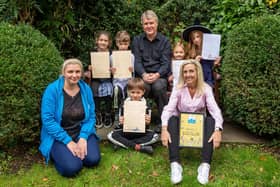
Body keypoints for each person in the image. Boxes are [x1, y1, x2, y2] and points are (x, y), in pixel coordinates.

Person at [161, 59, 223, 185]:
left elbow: (215, 110)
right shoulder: (178, 88)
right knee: (172, 119)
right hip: (182, 126)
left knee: (211, 120)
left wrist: (218, 130)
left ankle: (205, 166)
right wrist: (163, 129)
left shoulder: (206, 88)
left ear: (198, 72)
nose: (188, 74)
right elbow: (169, 109)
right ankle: (175, 165)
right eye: (185, 72)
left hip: (198, 128)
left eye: (191, 71)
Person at [39, 58, 101, 177]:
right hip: (58, 135)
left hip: (80, 131)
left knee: (93, 160)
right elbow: (48, 120)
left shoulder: (86, 89)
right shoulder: (52, 90)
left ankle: (75, 153)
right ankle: (59, 154)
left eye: (77, 72)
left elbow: (91, 116)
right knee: (72, 168)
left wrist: (83, 137)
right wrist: (68, 141)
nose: (74, 75)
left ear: (81, 73)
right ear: (63, 73)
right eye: (70, 72)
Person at [132, 10, 172, 133]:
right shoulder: (137, 40)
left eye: (151, 23)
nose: (149, 26)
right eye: (146, 24)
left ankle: (164, 122)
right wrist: (143, 74)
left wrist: (157, 74)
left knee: (159, 87)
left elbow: (166, 63)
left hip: (159, 76)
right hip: (142, 75)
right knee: (142, 88)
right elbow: (137, 61)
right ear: (142, 25)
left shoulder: (165, 41)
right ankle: (138, 122)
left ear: (156, 24)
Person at [107, 78, 159, 155]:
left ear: (143, 92)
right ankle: (139, 147)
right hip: (126, 132)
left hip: (141, 133)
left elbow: (147, 126)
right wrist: (121, 122)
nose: (135, 95)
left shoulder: (146, 105)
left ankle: (123, 144)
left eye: (138, 92)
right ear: (128, 92)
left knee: (155, 136)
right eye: (132, 92)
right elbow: (121, 124)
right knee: (111, 135)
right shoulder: (124, 104)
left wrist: (147, 122)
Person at [85, 31, 114, 128]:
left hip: (108, 79)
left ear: (109, 42)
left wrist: (112, 69)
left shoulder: (111, 54)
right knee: (94, 91)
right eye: (101, 40)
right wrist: (89, 68)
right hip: (96, 79)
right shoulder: (92, 53)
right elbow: (87, 66)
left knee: (110, 93)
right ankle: (97, 114)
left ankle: (108, 114)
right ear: (97, 41)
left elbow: (116, 67)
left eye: (105, 40)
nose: (103, 42)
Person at [182, 22, 221, 87]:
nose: (196, 40)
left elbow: (211, 67)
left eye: (198, 37)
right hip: (195, 79)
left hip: (207, 79)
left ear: (203, 37)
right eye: (193, 38)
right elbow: (186, 67)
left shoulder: (210, 51)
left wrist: (215, 63)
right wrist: (195, 62)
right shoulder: (191, 53)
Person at [111, 30, 134, 128]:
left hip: (128, 81)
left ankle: (127, 116)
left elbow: (134, 72)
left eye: (125, 44)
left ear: (128, 44)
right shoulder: (112, 56)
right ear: (117, 44)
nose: (123, 46)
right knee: (116, 91)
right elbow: (110, 72)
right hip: (118, 82)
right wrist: (111, 71)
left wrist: (132, 70)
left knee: (129, 92)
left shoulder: (131, 56)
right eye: (121, 44)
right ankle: (117, 115)